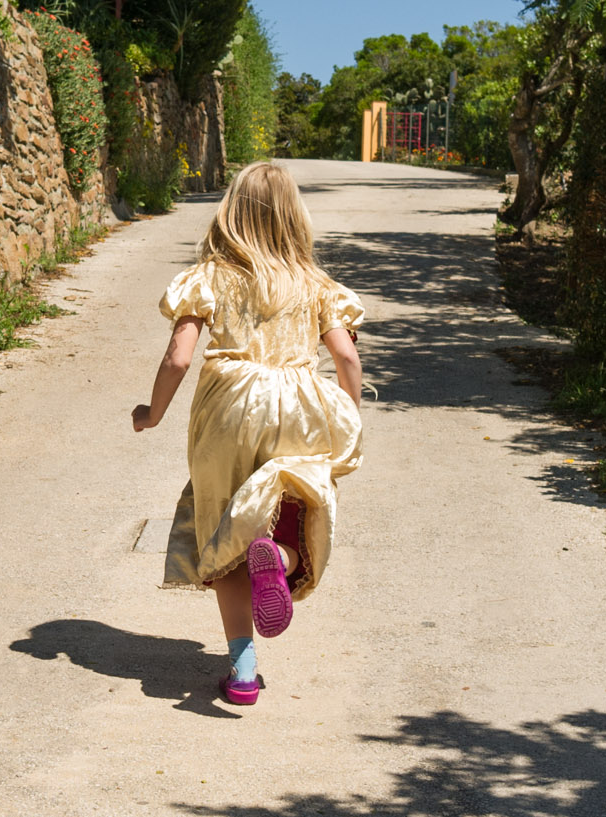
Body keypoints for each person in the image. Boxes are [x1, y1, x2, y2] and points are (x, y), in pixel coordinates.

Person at [130, 161, 365, 706]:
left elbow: (177, 358)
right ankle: (280, 561)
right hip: (299, 408)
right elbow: (347, 357)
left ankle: (240, 669)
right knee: (293, 512)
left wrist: (153, 413)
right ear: (293, 217)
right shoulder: (314, 282)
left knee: (224, 531)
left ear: (231, 211)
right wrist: (349, 413)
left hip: (228, 409)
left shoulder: (210, 274)